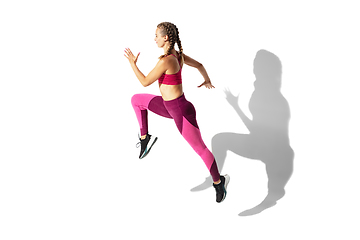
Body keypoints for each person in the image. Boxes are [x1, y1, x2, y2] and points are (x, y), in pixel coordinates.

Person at [124, 22, 229, 203]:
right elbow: (200, 65)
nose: (154, 38)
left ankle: (219, 182)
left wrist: (133, 64)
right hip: (167, 106)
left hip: (181, 111)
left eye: (156, 35)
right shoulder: (176, 55)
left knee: (201, 149)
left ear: (165, 38)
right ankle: (145, 139)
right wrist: (207, 79)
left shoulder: (167, 60)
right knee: (136, 100)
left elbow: (144, 81)